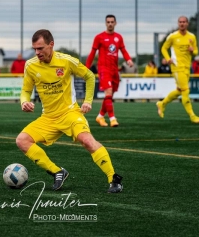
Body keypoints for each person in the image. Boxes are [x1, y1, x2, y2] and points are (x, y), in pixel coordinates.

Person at [16, 29, 123, 193]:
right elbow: (25, 91)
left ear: (51, 45)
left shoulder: (66, 61)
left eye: (41, 48)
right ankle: (57, 172)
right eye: (35, 49)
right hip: (48, 118)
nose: (37, 52)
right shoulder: (30, 65)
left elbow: (89, 76)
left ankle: (113, 179)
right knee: (22, 140)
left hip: (70, 114)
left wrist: (87, 102)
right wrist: (24, 102)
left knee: (87, 140)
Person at [86, 14, 134, 127]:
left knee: (110, 95)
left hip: (114, 70)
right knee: (108, 92)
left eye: (112, 22)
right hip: (103, 69)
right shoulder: (99, 37)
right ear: (105, 23)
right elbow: (92, 53)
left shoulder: (119, 37)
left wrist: (128, 60)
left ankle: (100, 116)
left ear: (115, 23)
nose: (110, 24)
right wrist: (86, 68)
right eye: (108, 22)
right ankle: (113, 119)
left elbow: (123, 50)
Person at [157, 16, 199, 123]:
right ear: (178, 24)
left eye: (184, 22)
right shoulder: (173, 36)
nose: (182, 24)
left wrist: (192, 51)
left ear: (187, 24)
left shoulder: (192, 36)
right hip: (177, 67)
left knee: (179, 91)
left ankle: (162, 103)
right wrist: (168, 59)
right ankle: (192, 115)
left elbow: (196, 51)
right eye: (180, 22)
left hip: (187, 68)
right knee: (186, 90)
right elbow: (163, 48)